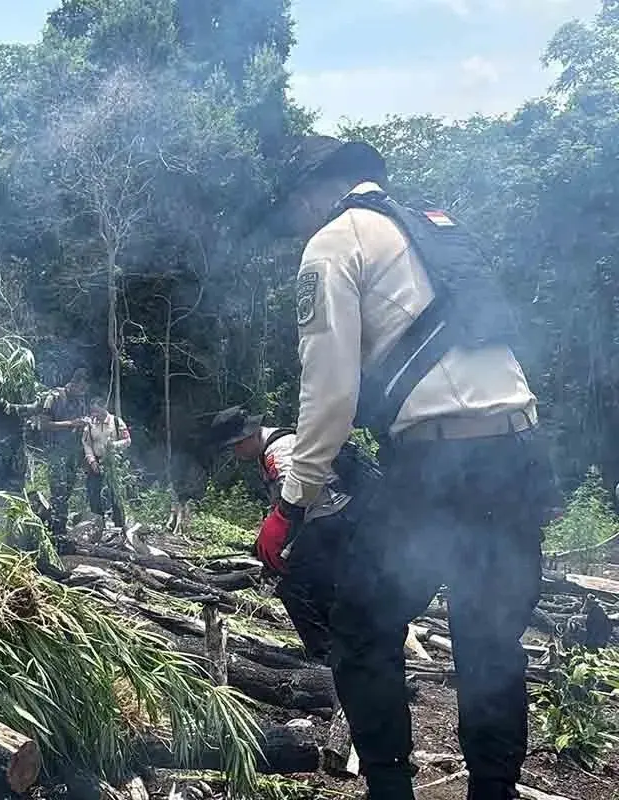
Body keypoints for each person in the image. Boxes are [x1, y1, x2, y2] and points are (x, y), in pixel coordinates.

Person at [261, 135, 557, 800]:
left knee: (362, 629)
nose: (297, 219)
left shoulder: (335, 242)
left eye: (294, 204)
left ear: (314, 192)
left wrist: (291, 504)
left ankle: (390, 789)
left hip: (437, 463)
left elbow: (328, 395)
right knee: (490, 639)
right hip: (518, 454)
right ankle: (494, 791)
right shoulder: (436, 232)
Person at [213, 405, 379, 664]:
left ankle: (325, 656)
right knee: (321, 586)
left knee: (294, 586)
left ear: (249, 436)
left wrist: (284, 545)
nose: (236, 453)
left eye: (236, 446)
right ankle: (340, 650)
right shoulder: (273, 448)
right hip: (333, 517)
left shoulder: (280, 450)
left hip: (335, 516)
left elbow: (298, 499)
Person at [7, 368, 91, 540]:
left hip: (72, 451)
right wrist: (71, 423)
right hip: (56, 451)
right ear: (74, 383)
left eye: (85, 390)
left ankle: (54, 524)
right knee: (59, 490)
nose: (82, 392)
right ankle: (58, 531)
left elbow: (79, 423)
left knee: (67, 490)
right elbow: (44, 425)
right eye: (81, 388)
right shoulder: (54, 397)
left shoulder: (80, 400)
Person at [81, 396, 131, 529]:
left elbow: (127, 440)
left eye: (97, 411)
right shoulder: (90, 424)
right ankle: (98, 524)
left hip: (113, 460)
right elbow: (86, 443)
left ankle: (119, 525)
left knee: (115, 493)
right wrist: (92, 461)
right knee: (93, 491)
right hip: (96, 460)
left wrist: (113, 445)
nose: (95, 414)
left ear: (104, 408)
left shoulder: (116, 422)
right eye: (93, 411)